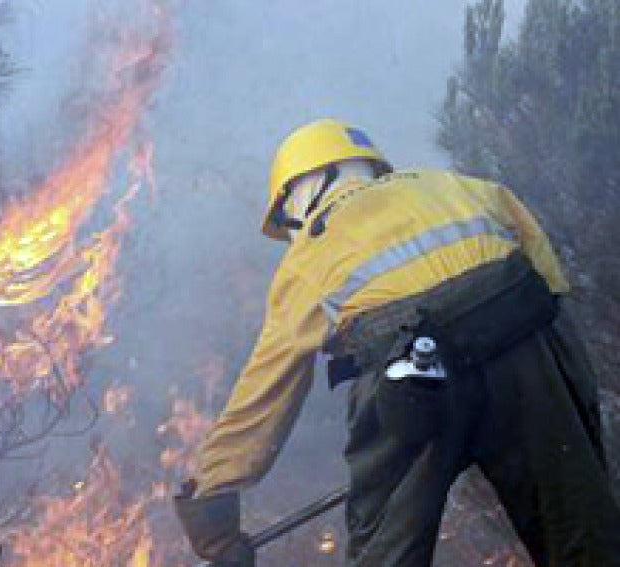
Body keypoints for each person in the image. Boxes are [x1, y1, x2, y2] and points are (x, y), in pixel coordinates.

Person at [174, 118, 620, 566]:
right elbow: (552, 290)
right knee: (581, 534)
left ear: (305, 187)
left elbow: (268, 387)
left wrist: (211, 512)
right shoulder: (459, 186)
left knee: (387, 554)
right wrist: (568, 413)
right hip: (522, 349)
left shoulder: (312, 250)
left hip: (411, 382)